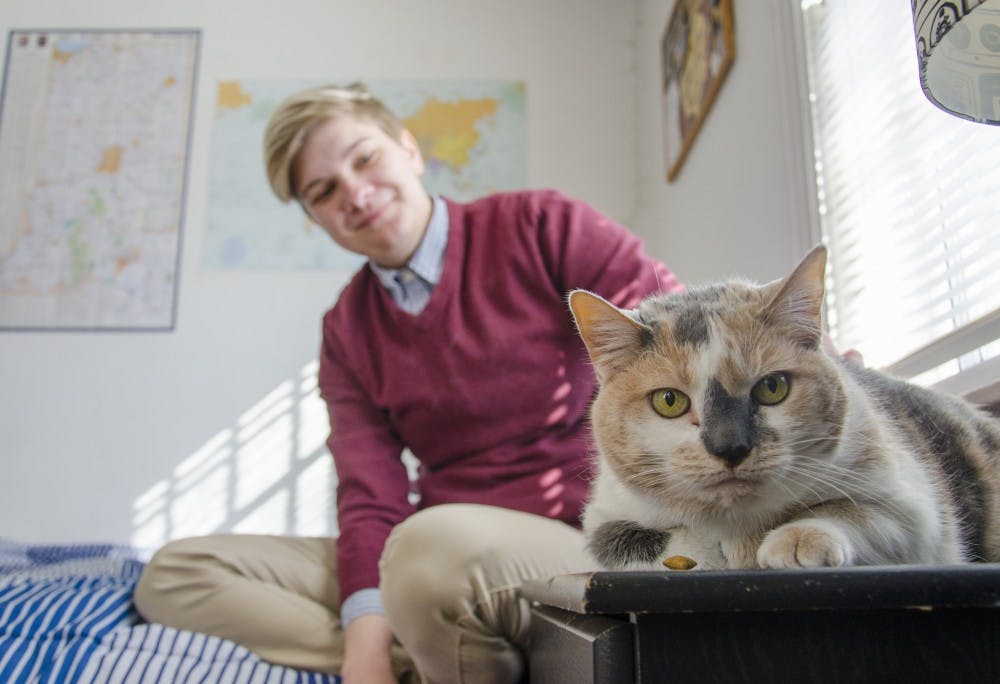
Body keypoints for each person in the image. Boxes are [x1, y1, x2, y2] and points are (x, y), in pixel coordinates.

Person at [133, 82, 683, 684]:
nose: (356, 194)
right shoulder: (347, 329)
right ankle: (423, 653)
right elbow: (369, 493)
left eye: (365, 158)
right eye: (323, 190)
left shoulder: (540, 224)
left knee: (426, 554)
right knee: (173, 575)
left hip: (574, 535)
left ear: (410, 150)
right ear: (315, 219)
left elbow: (675, 338)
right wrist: (363, 651)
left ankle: (439, 631)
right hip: (435, 549)